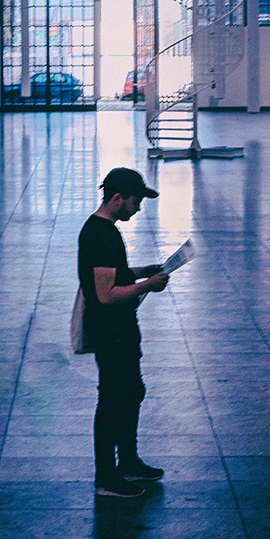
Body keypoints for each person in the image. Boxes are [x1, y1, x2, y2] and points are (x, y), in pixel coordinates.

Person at [77, 166, 170, 498]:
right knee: (113, 401)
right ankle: (106, 477)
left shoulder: (105, 231)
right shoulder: (100, 234)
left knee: (131, 394)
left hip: (121, 332)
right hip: (111, 333)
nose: (139, 207)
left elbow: (111, 275)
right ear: (117, 199)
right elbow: (105, 294)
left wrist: (141, 272)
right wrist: (149, 285)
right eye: (135, 201)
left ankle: (128, 463)